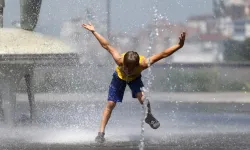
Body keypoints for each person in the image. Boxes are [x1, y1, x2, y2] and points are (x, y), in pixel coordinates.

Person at [82, 23, 186, 143]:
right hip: (119, 78)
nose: (127, 70)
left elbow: (163, 54)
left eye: (131, 68)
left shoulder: (143, 64)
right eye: (126, 67)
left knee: (144, 99)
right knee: (110, 103)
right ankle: (101, 133)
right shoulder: (119, 60)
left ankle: (149, 116)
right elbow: (106, 45)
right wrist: (94, 31)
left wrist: (179, 45)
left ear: (137, 65)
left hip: (135, 79)